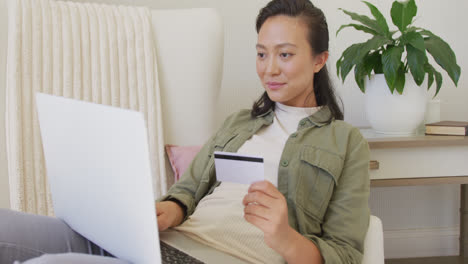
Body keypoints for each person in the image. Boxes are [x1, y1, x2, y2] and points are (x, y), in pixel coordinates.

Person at [0, 0, 370, 263]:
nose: (269, 68)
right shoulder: (240, 122)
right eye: (261, 53)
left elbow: (347, 254)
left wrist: (286, 238)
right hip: (157, 244)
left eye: (285, 54)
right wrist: (169, 209)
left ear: (319, 60)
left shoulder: (346, 142)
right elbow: (189, 190)